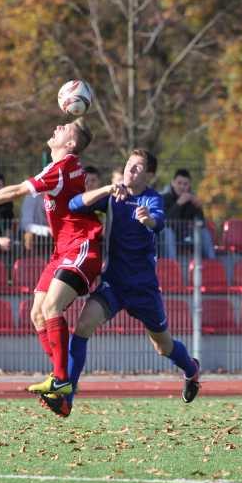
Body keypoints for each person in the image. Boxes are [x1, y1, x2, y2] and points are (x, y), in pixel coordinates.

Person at [0, 118, 103, 414]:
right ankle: (61, 388)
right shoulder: (55, 167)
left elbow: (16, 191)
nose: (57, 125)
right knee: (36, 314)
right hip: (62, 251)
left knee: (51, 309)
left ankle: (61, 380)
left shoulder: (65, 167)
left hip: (83, 246)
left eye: (66, 126)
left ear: (71, 143)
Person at [45, 149, 200, 418]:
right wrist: (105, 188)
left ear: (149, 175)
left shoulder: (152, 198)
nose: (131, 170)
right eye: (129, 165)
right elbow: (73, 205)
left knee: (162, 346)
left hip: (143, 288)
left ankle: (191, 369)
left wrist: (148, 219)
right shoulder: (113, 195)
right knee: (82, 327)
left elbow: (159, 222)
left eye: (138, 168)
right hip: (113, 283)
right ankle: (67, 396)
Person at [160, 168, 216, 260]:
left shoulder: (192, 199)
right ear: (173, 183)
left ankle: (212, 264)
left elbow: (200, 222)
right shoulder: (164, 197)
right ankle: (172, 267)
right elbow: (165, 221)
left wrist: (199, 208)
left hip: (187, 235)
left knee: (204, 232)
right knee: (168, 232)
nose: (182, 187)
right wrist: (179, 204)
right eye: (179, 183)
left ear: (189, 185)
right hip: (167, 237)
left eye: (185, 184)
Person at [19, 191, 51, 255]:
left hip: (47, 238)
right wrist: (48, 230)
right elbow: (26, 225)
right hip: (34, 237)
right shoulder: (31, 198)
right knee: (29, 234)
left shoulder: (51, 199)